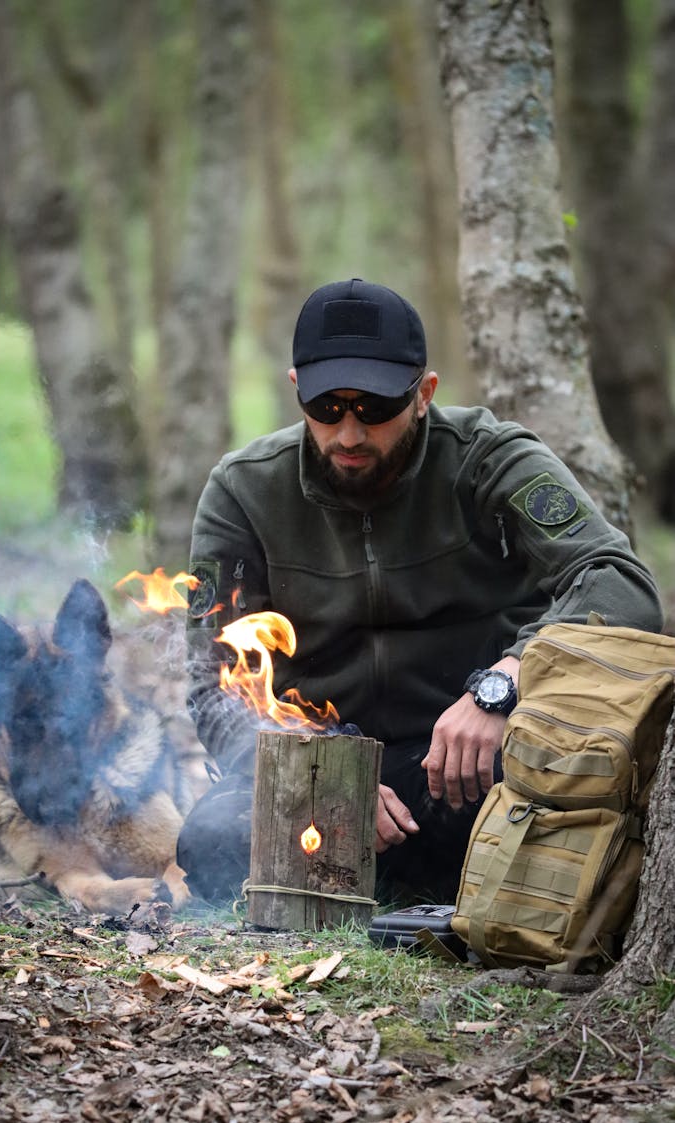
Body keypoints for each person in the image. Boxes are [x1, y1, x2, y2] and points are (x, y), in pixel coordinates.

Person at [176, 278, 663, 904]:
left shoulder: (489, 459)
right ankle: (402, 880)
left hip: (467, 764)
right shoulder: (243, 490)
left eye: (375, 408)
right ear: (297, 390)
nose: (349, 434)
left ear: (424, 393)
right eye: (328, 407)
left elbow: (620, 584)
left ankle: (409, 882)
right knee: (213, 842)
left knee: (550, 828)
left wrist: (503, 685)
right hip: (315, 757)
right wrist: (317, 766)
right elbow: (207, 679)